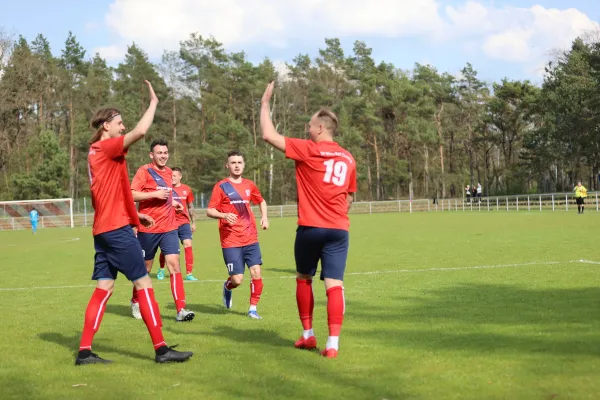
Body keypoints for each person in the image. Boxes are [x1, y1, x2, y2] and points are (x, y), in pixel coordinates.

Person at [76, 80, 192, 365]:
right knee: (143, 283)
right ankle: (162, 350)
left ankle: (84, 352)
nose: (123, 127)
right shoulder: (106, 148)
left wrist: (135, 214)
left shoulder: (94, 153)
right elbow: (141, 131)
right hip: (116, 230)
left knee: (105, 287)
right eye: (119, 122)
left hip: (103, 229)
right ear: (106, 125)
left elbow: (114, 191)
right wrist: (153, 104)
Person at [260, 81, 357, 359]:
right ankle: (333, 345)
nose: (307, 129)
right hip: (339, 229)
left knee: (304, 278)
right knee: (334, 284)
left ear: (321, 128)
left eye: (310, 126)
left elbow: (268, 134)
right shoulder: (348, 158)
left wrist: (265, 104)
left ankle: (308, 335)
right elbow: (349, 197)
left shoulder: (308, 149)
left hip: (311, 228)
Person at [130, 139, 195, 322]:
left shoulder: (168, 173)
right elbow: (131, 194)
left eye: (165, 153)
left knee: (174, 265)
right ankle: (135, 300)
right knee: (146, 269)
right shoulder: (144, 171)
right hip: (148, 228)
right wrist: (154, 194)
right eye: (159, 153)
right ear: (152, 155)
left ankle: (180, 310)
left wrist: (173, 203)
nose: (163, 156)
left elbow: (165, 195)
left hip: (169, 227)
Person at [206, 150, 269, 319]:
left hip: (250, 238)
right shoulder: (221, 187)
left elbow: (261, 201)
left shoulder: (249, 185)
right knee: (237, 280)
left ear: (244, 165)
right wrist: (223, 215)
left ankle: (253, 309)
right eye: (233, 163)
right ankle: (227, 287)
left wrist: (264, 217)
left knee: (256, 272)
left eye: (239, 162)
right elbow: (209, 210)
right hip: (231, 240)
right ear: (227, 165)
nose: (236, 165)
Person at [157, 167, 198, 281]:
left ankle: (189, 273)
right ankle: (161, 269)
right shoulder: (165, 189)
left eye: (175, 175)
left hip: (184, 222)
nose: (173, 178)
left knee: (188, 244)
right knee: (167, 249)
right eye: (171, 176)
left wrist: (193, 223)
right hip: (169, 222)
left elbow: (190, 207)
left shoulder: (187, 189)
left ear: (180, 176)